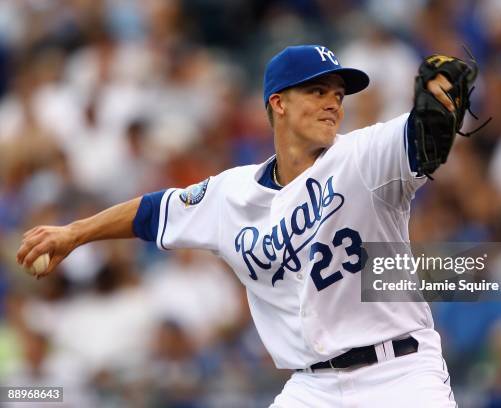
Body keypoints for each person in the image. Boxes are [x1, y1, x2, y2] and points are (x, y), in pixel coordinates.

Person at [17, 45, 464, 407]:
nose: (333, 102)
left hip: (398, 373)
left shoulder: (364, 156)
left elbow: (420, 142)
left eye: (338, 95)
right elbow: (152, 212)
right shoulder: (231, 194)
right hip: (311, 388)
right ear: (278, 103)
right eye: (318, 91)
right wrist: (75, 233)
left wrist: (441, 107)